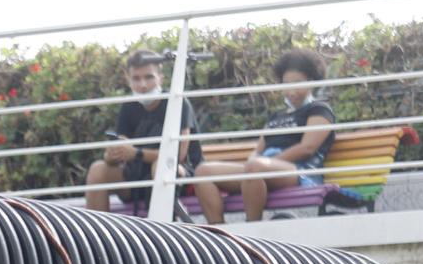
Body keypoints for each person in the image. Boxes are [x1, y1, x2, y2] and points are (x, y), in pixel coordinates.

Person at [192, 48, 337, 223]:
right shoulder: (276, 116)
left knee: (255, 167)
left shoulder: (319, 109)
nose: (291, 91)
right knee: (203, 172)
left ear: (312, 81)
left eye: (298, 83)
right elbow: (258, 150)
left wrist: (268, 162)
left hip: (299, 171)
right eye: (286, 84)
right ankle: (221, 233)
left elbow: (307, 148)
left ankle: (252, 229)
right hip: (260, 169)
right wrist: (256, 162)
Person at [86, 49, 203, 213]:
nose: (143, 85)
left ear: (160, 78)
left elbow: (178, 156)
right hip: (137, 177)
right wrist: (112, 154)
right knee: (98, 169)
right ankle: (96, 235)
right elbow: (122, 146)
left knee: (160, 166)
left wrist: (136, 153)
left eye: (149, 77)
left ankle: (161, 229)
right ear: (128, 78)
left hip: (178, 176)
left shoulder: (178, 103)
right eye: (136, 78)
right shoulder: (128, 106)